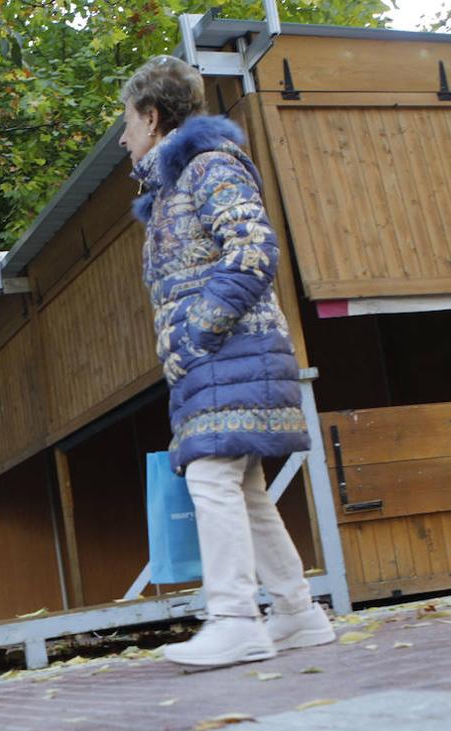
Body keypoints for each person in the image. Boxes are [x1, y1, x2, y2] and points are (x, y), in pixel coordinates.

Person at [119, 55, 336, 668]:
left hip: (226, 350)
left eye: (128, 122)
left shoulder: (208, 166)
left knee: (213, 477)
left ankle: (236, 619)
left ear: (153, 117)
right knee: (243, 487)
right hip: (217, 356)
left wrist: (194, 334)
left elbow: (252, 249)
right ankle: (297, 613)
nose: (123, 137)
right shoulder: (172, 188)